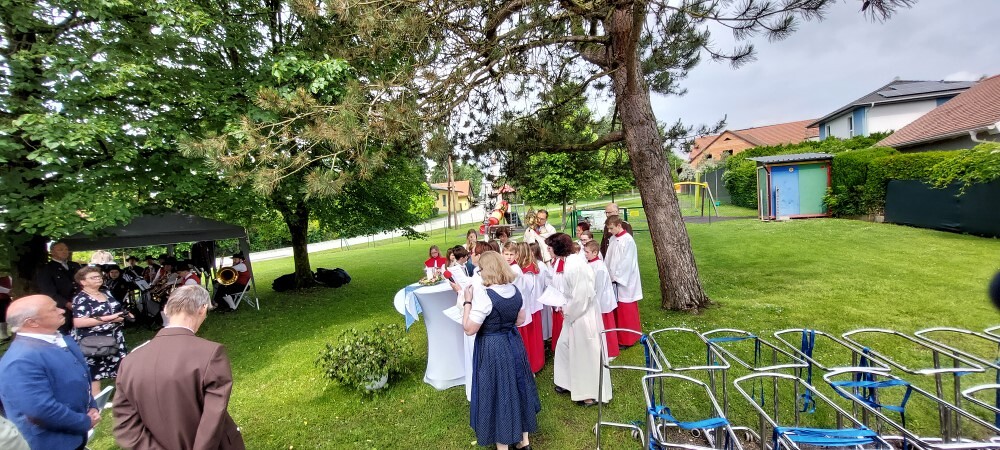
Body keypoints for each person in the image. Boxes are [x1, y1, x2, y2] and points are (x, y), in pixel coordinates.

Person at [113, 285, 246, 450]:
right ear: (203, 309)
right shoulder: (210, 353)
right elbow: (213, 418)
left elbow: (125, 424)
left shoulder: (129, 362)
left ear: (166, 309)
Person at [456, 252, 540, 450]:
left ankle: (503, 445)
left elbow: (469, 329)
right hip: (513, 342)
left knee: (497, 390)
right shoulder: (515, 290)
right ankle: (524, 441)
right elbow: (519, 320)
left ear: (487, 270)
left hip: (493, 347)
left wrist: (467, 302)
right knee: (518, 386)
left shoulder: (485, 297)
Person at [0, 295, 100, 450]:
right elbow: (40, 410)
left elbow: (80, 378)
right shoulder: (20, 360)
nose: (62, 310)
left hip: (73, 436)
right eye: (53, 309)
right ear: (32, 322)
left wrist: (91, 406)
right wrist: (84, 422)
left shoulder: (59, 340)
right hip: (51, 443)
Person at [552, 238, 612, 407]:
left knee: (585, 352)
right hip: (573, 312)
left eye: (551, 248)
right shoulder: (570, 262)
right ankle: (567, 382)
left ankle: (589, 393)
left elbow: (582, 297)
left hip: (582, 314)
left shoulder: (575, 266)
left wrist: (568, 311)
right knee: (564, 345)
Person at [72, 266, 129, 396]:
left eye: (99, 276)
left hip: (114, 336)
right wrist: (110, 318)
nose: (98, 279)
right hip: (93, 340)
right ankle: (96, 400)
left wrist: (124, 315)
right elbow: (78, 322)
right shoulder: (81, 298)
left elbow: (115, 309)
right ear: (83, 282)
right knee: (94, 372)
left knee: (121, 369)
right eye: (93, 277)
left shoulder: (106, 292)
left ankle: (123, 398)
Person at [605, 216, 643, 347]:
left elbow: (627, 262)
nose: (609, 231)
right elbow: (608, 258)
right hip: (613, 279)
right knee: (617, 308)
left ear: (619, 225)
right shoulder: (613, 239)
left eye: (611, 228)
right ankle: (618, 335)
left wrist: (617, 277)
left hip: (625, 281)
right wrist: (607, 274)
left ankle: (628, 338)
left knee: (626, 310)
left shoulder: (628, 241)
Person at [34, 240, 81, 334]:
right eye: (60, 250)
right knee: (64, 332)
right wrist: (66, 303)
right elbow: (48, 291)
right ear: (52, 252)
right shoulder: (46, 269)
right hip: (61, 307)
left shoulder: (75, 265)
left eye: (66, 249)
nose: (64, 252)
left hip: (80, 304)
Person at [585, 240, 620, 359]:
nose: (585, 254)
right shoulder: (589, 264)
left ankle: (611, 351)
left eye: (587, 252)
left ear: (595, 253)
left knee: (606, 326)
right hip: (596, 300)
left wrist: (594, 304)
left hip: (602, 302)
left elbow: (599, 287)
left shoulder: (599, 267)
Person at [514, 243, 545, 373]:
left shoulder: (526, 272)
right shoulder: (532, 267)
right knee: (534, 339)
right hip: (533, 308)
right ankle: (536, 362)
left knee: (529, 340)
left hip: (528, 309)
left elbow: (524, 292)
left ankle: (531, 365)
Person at [0, 275, 12, 342]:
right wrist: (8, 291)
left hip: (6, 298)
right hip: (1, 298)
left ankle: (4, 334)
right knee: (2, 316)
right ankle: (3, 335)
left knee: (5, 315)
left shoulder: (8, 277)